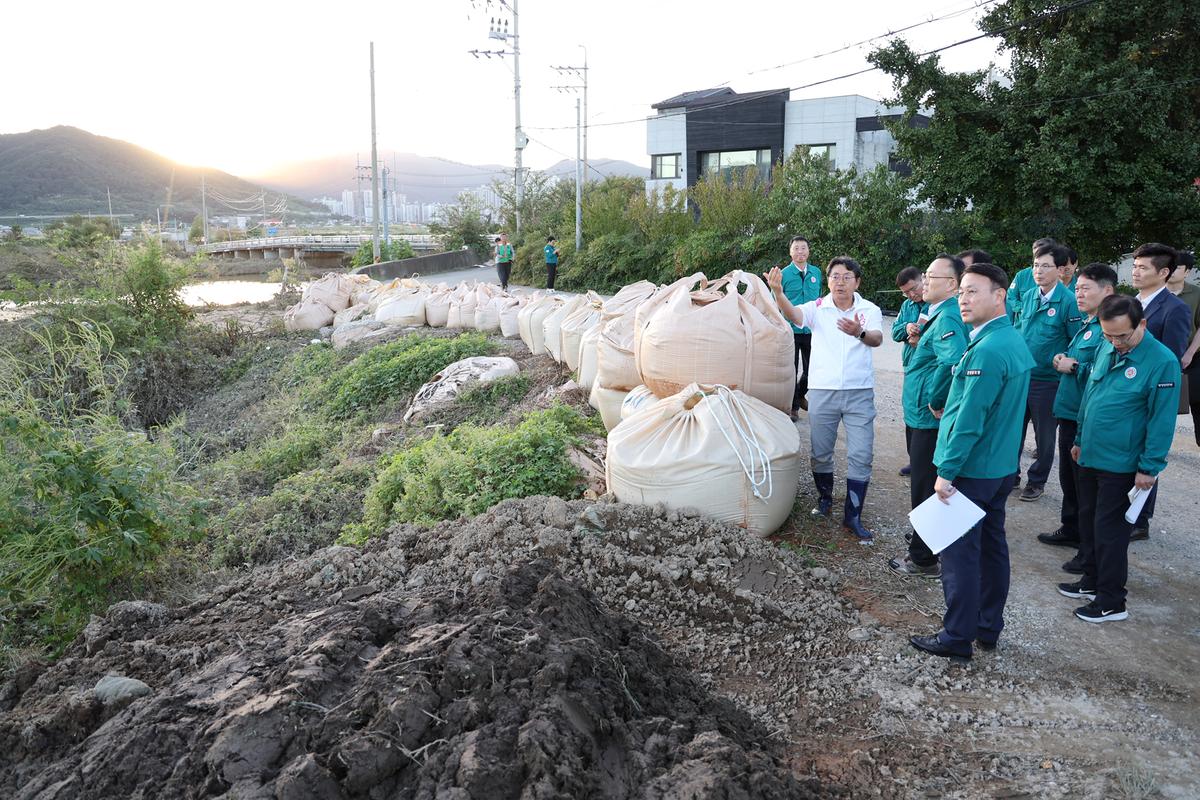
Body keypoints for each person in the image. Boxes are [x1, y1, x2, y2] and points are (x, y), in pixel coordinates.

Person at [910, 263, 1033, 661]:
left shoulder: (990, 349)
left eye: (972, 291)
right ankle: (986, 626)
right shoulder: (1010, 340)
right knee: (993, 546)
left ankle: (957, 636)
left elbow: (968, 417)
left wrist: (946, 471)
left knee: (959, 552)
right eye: (961, 291)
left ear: (999, 295)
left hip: (974, 468)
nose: (963, 299)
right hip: (998, 467)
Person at [1061, 295, 1180, 622]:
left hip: (1123, 463)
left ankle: (1112, 600)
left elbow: (1161, 420)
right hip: (1090, 454)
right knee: (1087, 521)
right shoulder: (1106, 346)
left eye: (1122, 336)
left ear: (1142, 324)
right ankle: (1091, 579)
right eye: (1108, 335)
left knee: (1109, 531)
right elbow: (1090, 396)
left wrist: (1149, 467)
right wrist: (1080, 438)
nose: (1115, 343)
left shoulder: (1162, 362)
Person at [767, 257, 883, 542]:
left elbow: (877, 339)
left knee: (861, 454)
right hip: (822, 391)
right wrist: (778, 293)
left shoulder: (869, 309)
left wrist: (860, 332)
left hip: (859, 392)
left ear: (857, 281)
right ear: (826, 281)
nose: (839, 282)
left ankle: (852, 515)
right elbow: (794, 315)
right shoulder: (818, 309)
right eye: (834, 277)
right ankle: (825, 499)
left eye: (846, 277)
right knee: (821, 452)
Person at [888, 254, 969, 579]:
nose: (925, 281)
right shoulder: (936, 314)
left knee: (925, 484)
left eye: (932, 277)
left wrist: (936, 399)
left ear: (952, 284)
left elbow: (953, 365)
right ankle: (927, 540)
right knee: (923, 481)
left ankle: (922, 559)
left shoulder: (948, 318)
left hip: (928, 416)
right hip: (919, 413)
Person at [1036, 264, 1117, 569]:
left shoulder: (1107, 329)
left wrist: (1072, 367)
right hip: (1069, 413)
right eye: (1078, 288)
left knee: (1085, 487)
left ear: (1107, 291)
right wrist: (1062, 360)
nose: (1078, 294)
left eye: (1085, 289)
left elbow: (1105, 376)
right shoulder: (1087, 323)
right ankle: (1071, 530)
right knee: (1069, 480)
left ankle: (1087, 549)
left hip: (1086, 418)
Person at [1128, 243, 1190, 539]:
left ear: (1164, 272)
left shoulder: (1175, 309)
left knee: (1147, 454)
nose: (1135, 272)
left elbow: (1172, 358)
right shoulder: (1130, 303)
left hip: (1149, 393)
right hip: (1123, 393)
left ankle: (1140, 520)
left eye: (1143, 267)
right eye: (1135, 266)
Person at [1012, 243, 1083, 501]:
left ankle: (1037, 480)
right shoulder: (1029, 295)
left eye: (1045, 266)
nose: (1038, 271)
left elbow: (1075, 341)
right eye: (1035, 265)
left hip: (1048, 381)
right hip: (1023, 376)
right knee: (1013, 430)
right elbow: (1020, 330)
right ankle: (1011, 475)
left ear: (1061, 270)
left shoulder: (1069, 301)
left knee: (1044, 436)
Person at [780, 236, 823, 417]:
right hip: (790, 329)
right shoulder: (783, 274)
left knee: (813, 369)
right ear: (790, 252)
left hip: (811, 328)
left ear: (808, 251)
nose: (800, 252)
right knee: (791, 369)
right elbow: (776, 299)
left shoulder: (816, 272)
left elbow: (820, 298)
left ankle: (798, 395)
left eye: (803, 248)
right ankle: (793, 408)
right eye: (796, 248)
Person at [891, 266, 926, 476]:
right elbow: (895, 331)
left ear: (923, 279)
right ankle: (914, 460)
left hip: (929, 366)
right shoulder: (907, 305)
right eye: (906, 292)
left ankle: (927, 463)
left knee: (927, 414)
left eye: (914, 289)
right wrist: (907, 328)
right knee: (911, 411)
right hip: (910, 366)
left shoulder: (935, 303)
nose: (912, 294)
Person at [1168, 250, 1200, 443]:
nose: (1172, 271)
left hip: (1193, 358)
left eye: (1177, 267)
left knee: (1197, 400)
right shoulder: (1157, 293)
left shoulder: (1196, 293)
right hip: (1164, 358)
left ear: (1187, 271)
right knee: (1164, 404)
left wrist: (1189, 353)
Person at [1007, 237, 1057, 325]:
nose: (1038, 256)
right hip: (1022, 328)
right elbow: (1011, 297)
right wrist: (1024, 308)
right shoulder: (1022, 275)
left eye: (1042, 253)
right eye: (1036, 254)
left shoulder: (1057, 275)